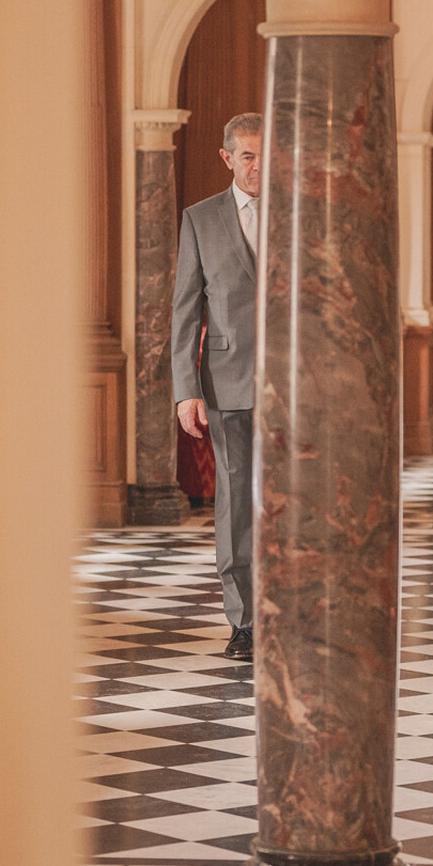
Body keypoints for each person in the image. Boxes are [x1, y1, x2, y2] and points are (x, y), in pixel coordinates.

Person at [172, 113, 263, 660]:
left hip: (298, 387)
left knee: (298, 500)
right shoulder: (200, 220)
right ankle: (245, 622)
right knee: (235, 506)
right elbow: (185, 312)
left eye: (266, 153)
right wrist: (187, 389)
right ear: (227, 158)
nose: (258, 165)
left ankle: (297, 611)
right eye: (247, 155)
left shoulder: (303, 214)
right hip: (227, 382)